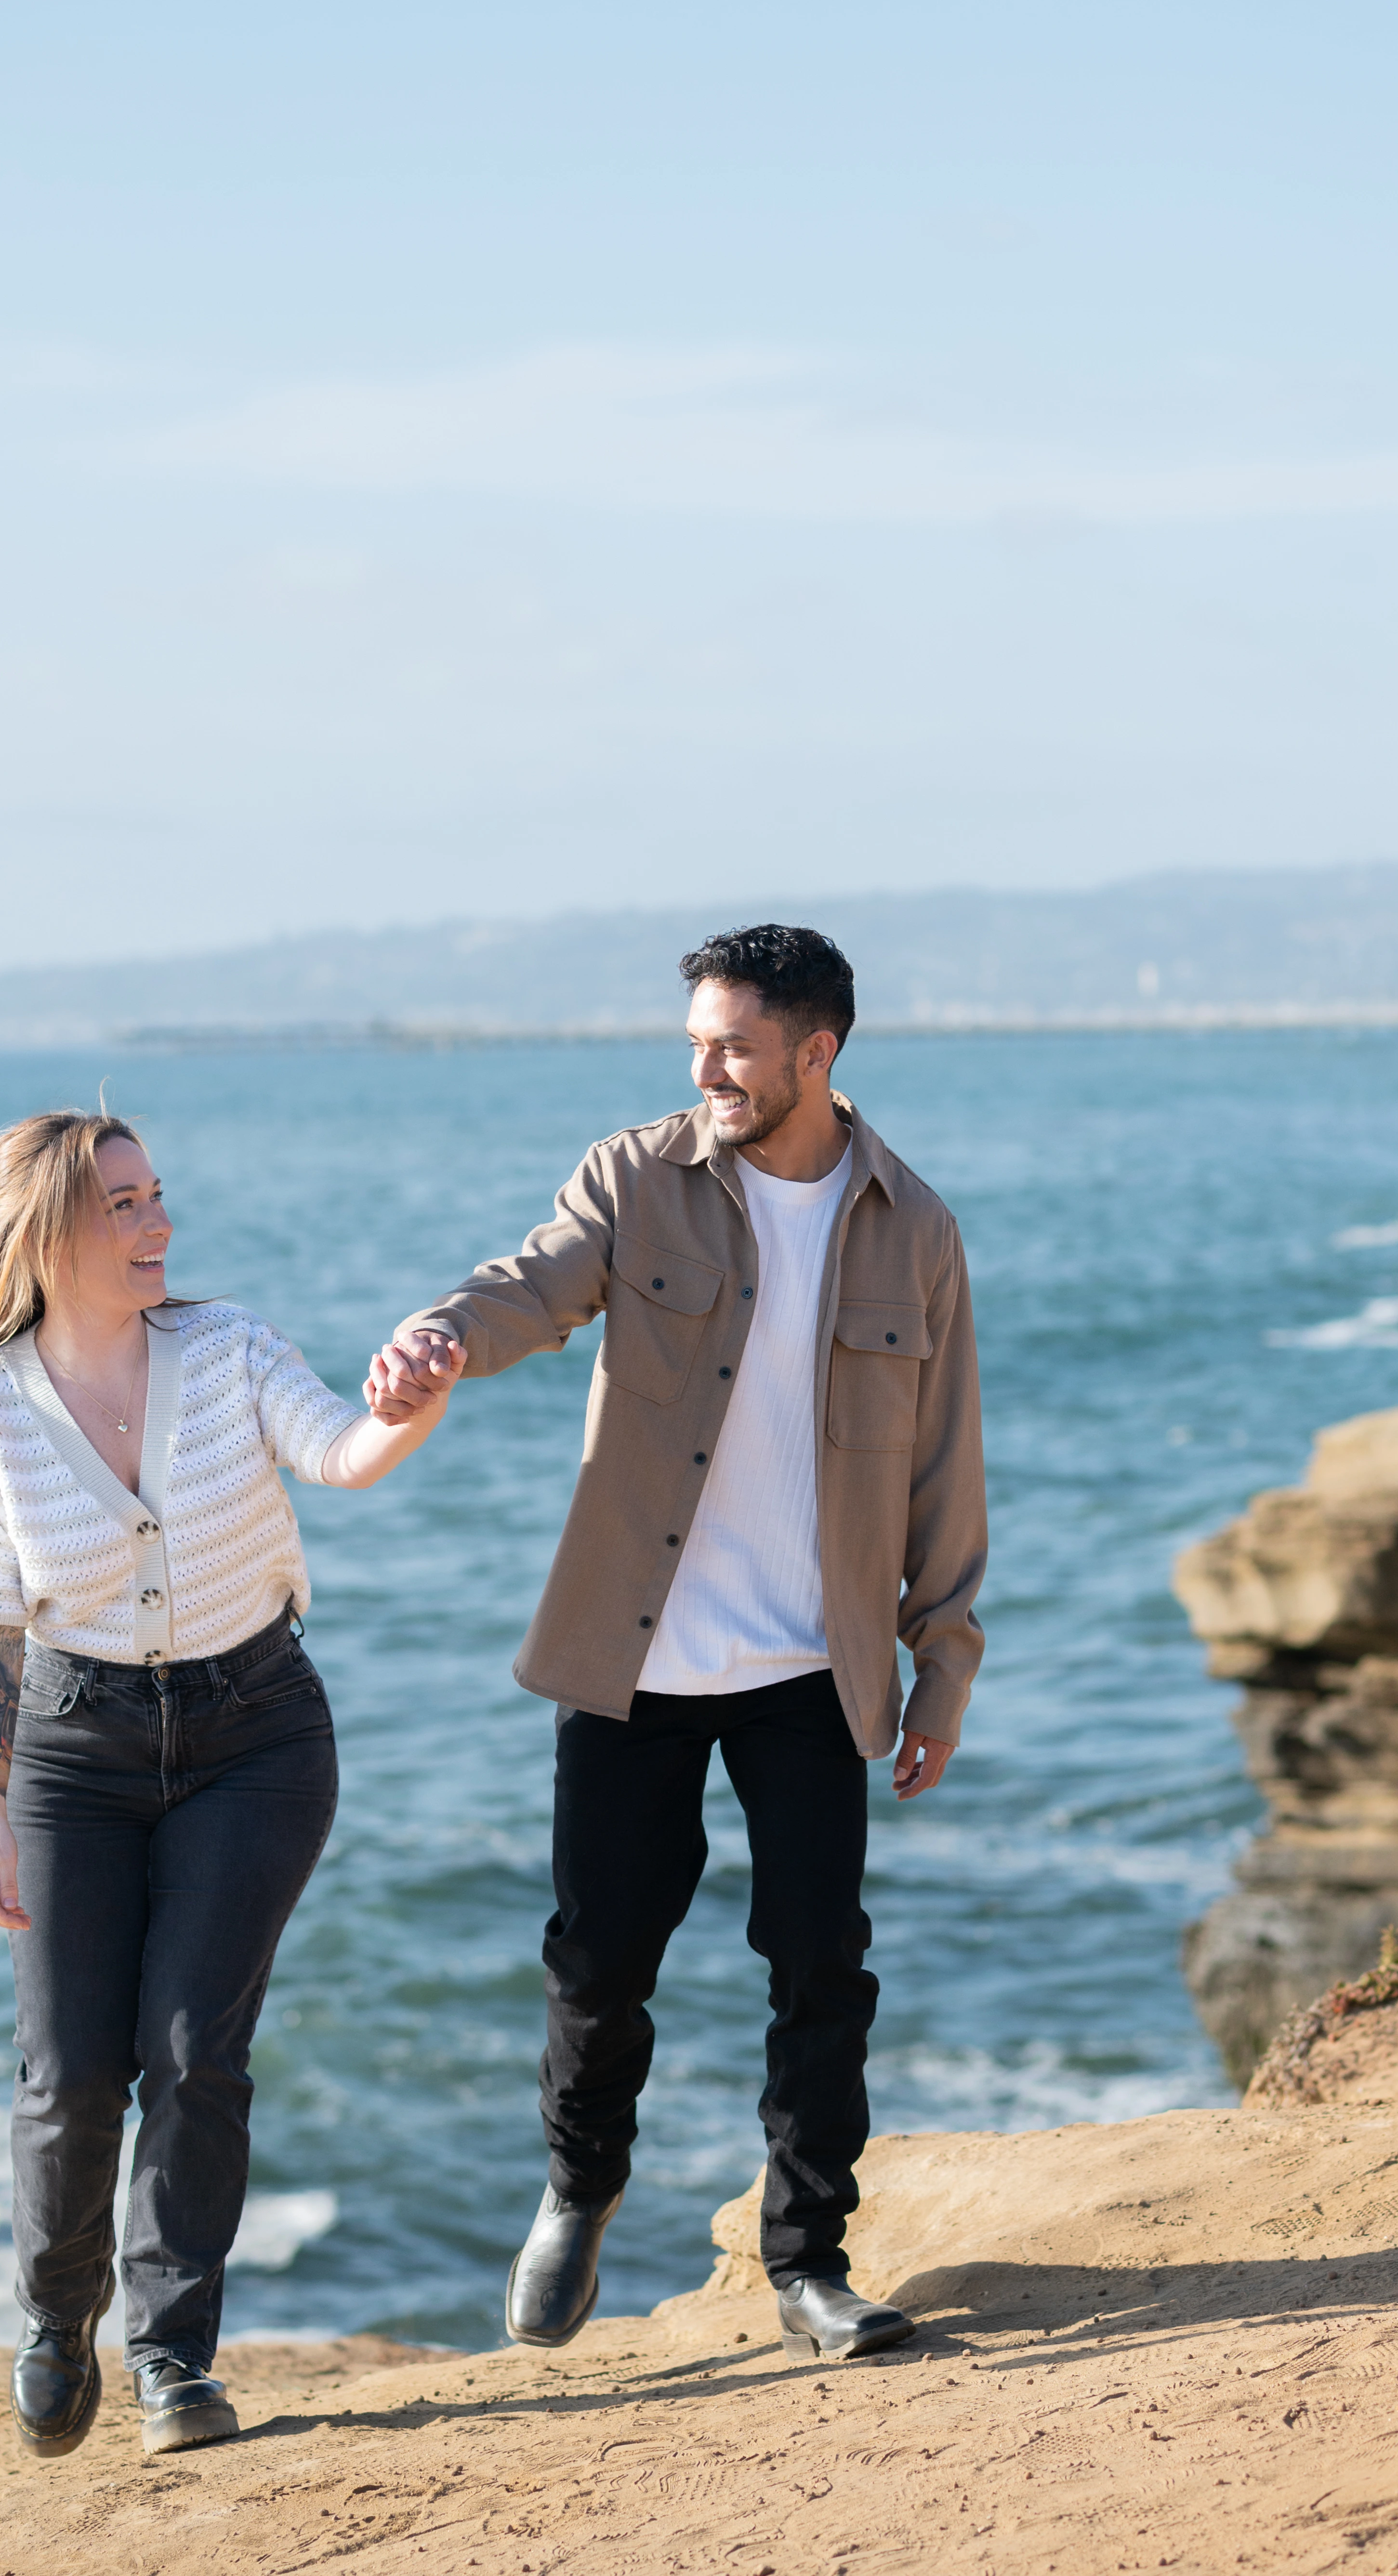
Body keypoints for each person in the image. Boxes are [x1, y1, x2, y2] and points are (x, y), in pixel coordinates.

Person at [370, 923, 986, 2365]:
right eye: (694, 1043)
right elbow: (531, 1283)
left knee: (820, 1965)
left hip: (808, 1667)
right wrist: (439, 1338)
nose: (705, 1068)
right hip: (632, 1658)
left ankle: (809, 2261)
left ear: (815, 1053)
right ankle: (579, 2190)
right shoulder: (635, 1179)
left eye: (733, 1047)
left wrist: (938, 1666)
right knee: (598, 1960)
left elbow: (943, 1468)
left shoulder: (915, 1230)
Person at [0, 1107, 462, 2459]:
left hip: (256, 1735)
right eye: (123, 1205)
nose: (157, 1222)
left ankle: (174, 2362)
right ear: (49, 1232)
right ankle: (58, 2325)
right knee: (68, 2073)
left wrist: (412, 1404)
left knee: (194, 2057)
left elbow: (339, 1453)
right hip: (72, 1752)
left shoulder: (226, 1349)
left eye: (156, 1195)